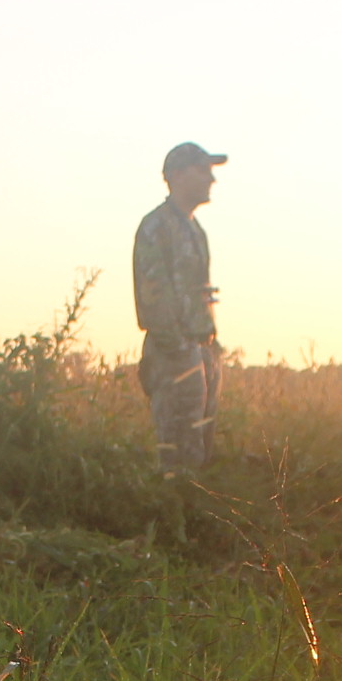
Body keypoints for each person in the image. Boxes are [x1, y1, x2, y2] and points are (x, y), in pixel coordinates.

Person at [132, 141, 224, 470]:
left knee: (199, 456)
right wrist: (180, 350)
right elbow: (153, 297)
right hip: (174, 356)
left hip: (201, 353)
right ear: (178, 175)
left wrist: (211, 349)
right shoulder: (156, 227)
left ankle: (196, 517)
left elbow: (199, 295)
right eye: (204, 171)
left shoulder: (195, 231)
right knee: (176, 460)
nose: (212, 180)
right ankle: (169, 519)